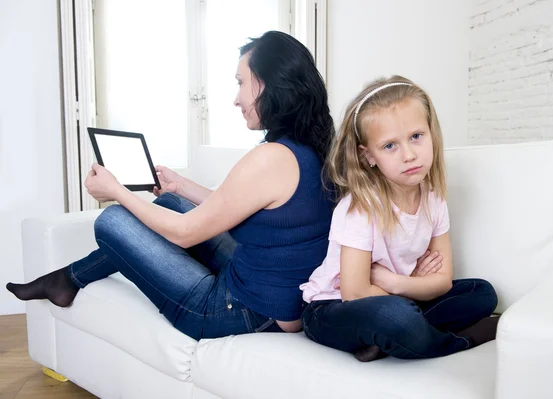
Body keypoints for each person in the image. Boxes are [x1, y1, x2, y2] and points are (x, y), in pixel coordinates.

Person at [7, 31, 335, 340]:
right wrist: (180, 186)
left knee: (113, 221)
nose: (236, 99)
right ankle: (68, 280)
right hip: (278, 297)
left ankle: (66, 280)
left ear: (270, 84)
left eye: (240, 83)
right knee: (170, 205)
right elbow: (243, 205)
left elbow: (185, 233)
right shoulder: (309, 148)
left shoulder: (270, 157)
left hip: (244, 309)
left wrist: (116, 191)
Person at [299, 75, 499, 362]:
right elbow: (355, 293)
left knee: (482, 293)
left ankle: (386, 340)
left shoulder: (433, 199)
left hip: (393, 294)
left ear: (432, 135)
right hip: (332, 308)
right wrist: (413, 290)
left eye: (416, 137)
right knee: (397, 319)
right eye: (390, 146)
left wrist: (397, 283)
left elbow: (442, 281)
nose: (409, 155)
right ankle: (460, 340)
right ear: (368, 156)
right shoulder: (361, 207)